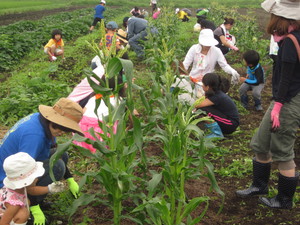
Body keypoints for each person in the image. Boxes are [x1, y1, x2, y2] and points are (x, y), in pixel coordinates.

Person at [236, 0, 300, 209]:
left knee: (283, 151)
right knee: (261, 144)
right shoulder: (288, 39)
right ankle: (259, 185)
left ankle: (283, 200)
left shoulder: (291, 41)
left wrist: (279, 106)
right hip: (282, 99)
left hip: (288, 100)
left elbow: (287, 79)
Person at [0, 98, 83, 225]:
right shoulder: (34, 137)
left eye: (66, 130)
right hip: (9, 180)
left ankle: (35, 201)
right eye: (61, 128)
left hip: (20, 169)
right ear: (53, 121)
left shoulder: (42, 121)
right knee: (57, 167)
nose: (62, 133)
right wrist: (33, 206)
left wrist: (69, 178)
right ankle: (30, 207)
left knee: (61, 154)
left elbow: (53, 149)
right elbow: (23, 176)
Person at [0, 153, 64, 225]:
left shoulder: (19, 188)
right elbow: (3, 222)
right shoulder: (14, 205)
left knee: (26, 205)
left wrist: (49, 188)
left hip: (10, 212)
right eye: (34, 177)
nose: (37, 179)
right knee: (23, 214)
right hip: (4, 217)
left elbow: (32, 190)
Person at [73, 75, 126, 153]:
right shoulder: (119, 100)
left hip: (82, 131)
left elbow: (83, 112)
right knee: (115, 122)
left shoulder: (94, 97)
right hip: (100, 133)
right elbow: (134, 115)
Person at [183, 29, 240, 97]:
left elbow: (224, 65)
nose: (208, 46)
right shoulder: (194, 49)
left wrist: (232, 71)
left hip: (208, 83)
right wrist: (182, 76)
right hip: (193, 79)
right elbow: (185, 65)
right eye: (205, 44)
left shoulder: (216, 51)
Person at [194, 73, 239, 138]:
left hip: (230, 124)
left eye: (203, 84)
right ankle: (216, 130)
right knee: (203, 109)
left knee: (202, 110)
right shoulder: (215, 93)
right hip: (228, 122)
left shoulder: (217, 96)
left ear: (208, 87)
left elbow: (197, 105)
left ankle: (217, 134)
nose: (202, 85)